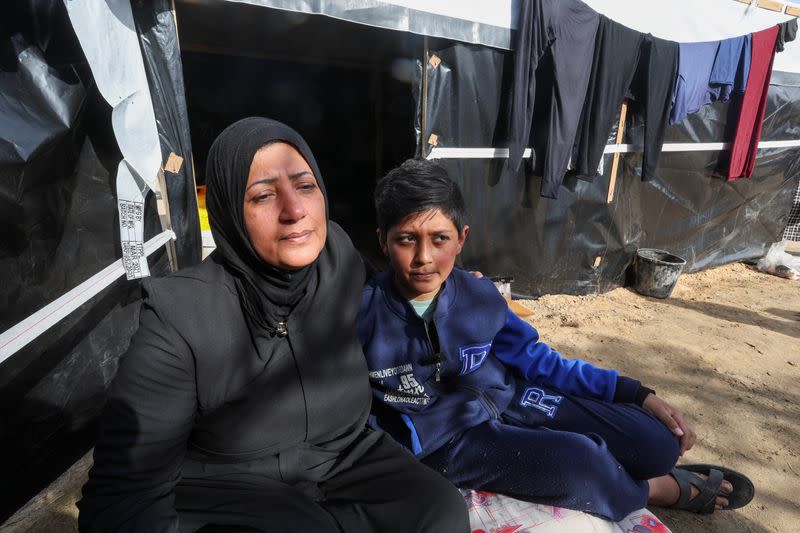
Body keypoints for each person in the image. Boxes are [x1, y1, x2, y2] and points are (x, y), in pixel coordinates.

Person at [78, 119, 469, 533]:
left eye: (305, 186)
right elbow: (122, 494)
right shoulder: (179, 316)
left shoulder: (337, 254)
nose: (295, 210)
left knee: (439, 509)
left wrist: (460, 288)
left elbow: (390, 296)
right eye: (264, 195)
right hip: (233, 483)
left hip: (345, 457)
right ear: (229, 211)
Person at [357, 158, 755, 521]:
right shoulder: (361, 315)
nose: (424, 256)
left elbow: (539, 361)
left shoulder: (480, 297)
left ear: (461, 238)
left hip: (509, 397)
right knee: (583, 464)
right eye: (406, 239)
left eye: (439, 239)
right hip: (451, 443)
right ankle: (654, 489)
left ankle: (635, 466)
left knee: (657, 444)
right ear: (382, 241)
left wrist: (636, 394)